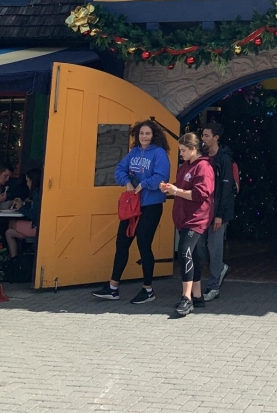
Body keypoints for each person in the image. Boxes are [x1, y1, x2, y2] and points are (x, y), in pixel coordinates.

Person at [92, 119, 171, 305]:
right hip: (132, 206)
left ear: (154, 136)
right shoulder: (134, 152)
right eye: (141, 133)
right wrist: (126, 182)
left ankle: (148, 289)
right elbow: (120, 169)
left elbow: (161, 176)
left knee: (144, 244)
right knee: (122, 243)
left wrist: (143, 185)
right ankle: (113, 287)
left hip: (150, 205)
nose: (144, 136)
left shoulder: (159, 153)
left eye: (147, 133)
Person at [161, 132, 215, 318]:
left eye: (183, 150)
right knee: (191, 253)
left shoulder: (204, 167)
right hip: (184, 217)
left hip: (196, 218)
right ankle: (197, 295)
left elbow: (201, 194)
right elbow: (182, 186)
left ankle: (186, 298)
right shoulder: (185, 166)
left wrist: (177, 191)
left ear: (193, 149)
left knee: (184, 251)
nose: (181, 154)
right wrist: (170, 188)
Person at [200, 120, 235, 302]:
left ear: (216, 138)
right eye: (203, 135)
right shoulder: (202, 156)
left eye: (206, 135)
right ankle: (219, 268)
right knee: (200, 246)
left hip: (217, 211)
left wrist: (220, 215)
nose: (203, 139)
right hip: (202, 210)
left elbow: (227, 189)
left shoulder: (224, 159)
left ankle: (213, 286)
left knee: (214, 248)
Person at [4, 167, 42, 260]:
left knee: (12, 223)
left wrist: (21, 208)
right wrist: (24, 204)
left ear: (33, 181)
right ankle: (14, 258)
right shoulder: (39, 193)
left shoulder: (37, 194)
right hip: (36, 227)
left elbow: (34, 215)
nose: (27, 184)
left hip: (37, 228)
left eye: (28, 181)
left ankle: (14, 258)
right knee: (9, 233)